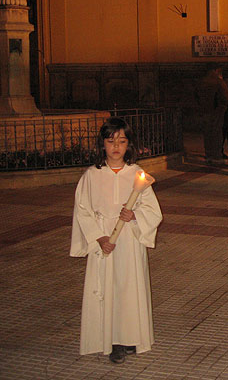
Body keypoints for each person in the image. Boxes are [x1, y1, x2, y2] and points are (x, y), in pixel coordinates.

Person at [70, 117, 162, 364]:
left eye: (121, 141)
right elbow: (83, 210)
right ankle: (111, 340)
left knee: (128, 288)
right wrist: (99, 238)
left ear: (129, 144)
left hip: (129, 241)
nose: (116, 147)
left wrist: (134, 216)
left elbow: (153, 211)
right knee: (108, 288)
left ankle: (129, 336)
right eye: (111, 141)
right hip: (105, 242)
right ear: (102, 145)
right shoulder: (92, 176)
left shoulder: (137, 175)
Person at [195, 64, 228, 165]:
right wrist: (224, 107)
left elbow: (196, 95)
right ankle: (216, 154)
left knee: (207, 133)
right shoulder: (219, 82)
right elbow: (224, 97)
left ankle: (208, 154)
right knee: (216, 133)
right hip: (216, 111)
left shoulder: (202, 82)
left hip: (204, 110)